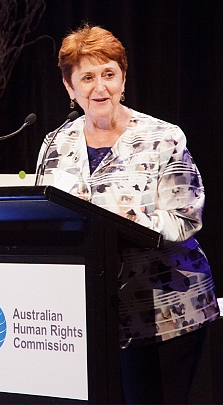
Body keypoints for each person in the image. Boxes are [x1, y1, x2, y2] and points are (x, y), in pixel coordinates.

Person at [36, 23, 219, 404]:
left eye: (109, 74)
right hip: (90, 315)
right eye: (86, 77)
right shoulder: (54, 144)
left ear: (123, 79)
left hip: (168, 307)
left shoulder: (163, 137)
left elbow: (185, 216)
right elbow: (45, 215)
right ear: (69, 88)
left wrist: (122, 225)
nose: (99, 87)